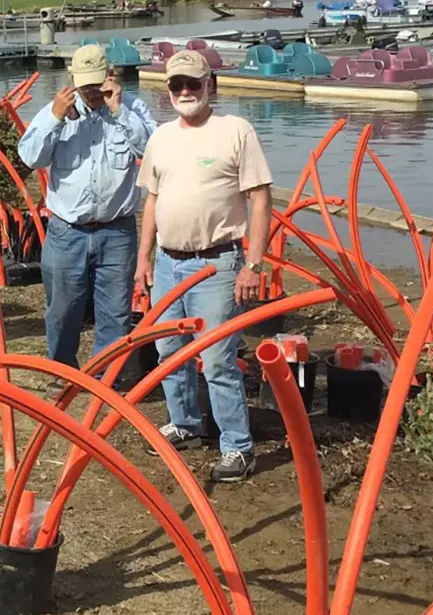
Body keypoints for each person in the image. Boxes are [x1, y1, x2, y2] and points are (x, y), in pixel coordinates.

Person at [135, 50, 273, 483]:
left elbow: (261, 197)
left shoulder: (235, 131)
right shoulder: (160, 137)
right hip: (167, 261)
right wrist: (142, 257)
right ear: (168, 89)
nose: (185, 92)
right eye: (177, 85)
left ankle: (237, 446)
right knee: (168, 351)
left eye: (193, 84)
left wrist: (254, 263)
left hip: (217, 264)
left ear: (210, 84)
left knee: (216, 359)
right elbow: (152, 200)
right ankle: (186, 422)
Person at [17, 43, 157, 397]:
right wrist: (54, 117)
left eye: (98, 83)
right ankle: (63, 373)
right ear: (73, 80)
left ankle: (106, 378)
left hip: (117, 230)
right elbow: (30, 157)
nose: (92, 91)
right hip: (67, 230)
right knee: (62, 309)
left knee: (115, 310)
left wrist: (120, 111)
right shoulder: (57, 111)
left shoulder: (131, 108)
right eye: (85, 85)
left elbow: (154, 152)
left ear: (110, 77)